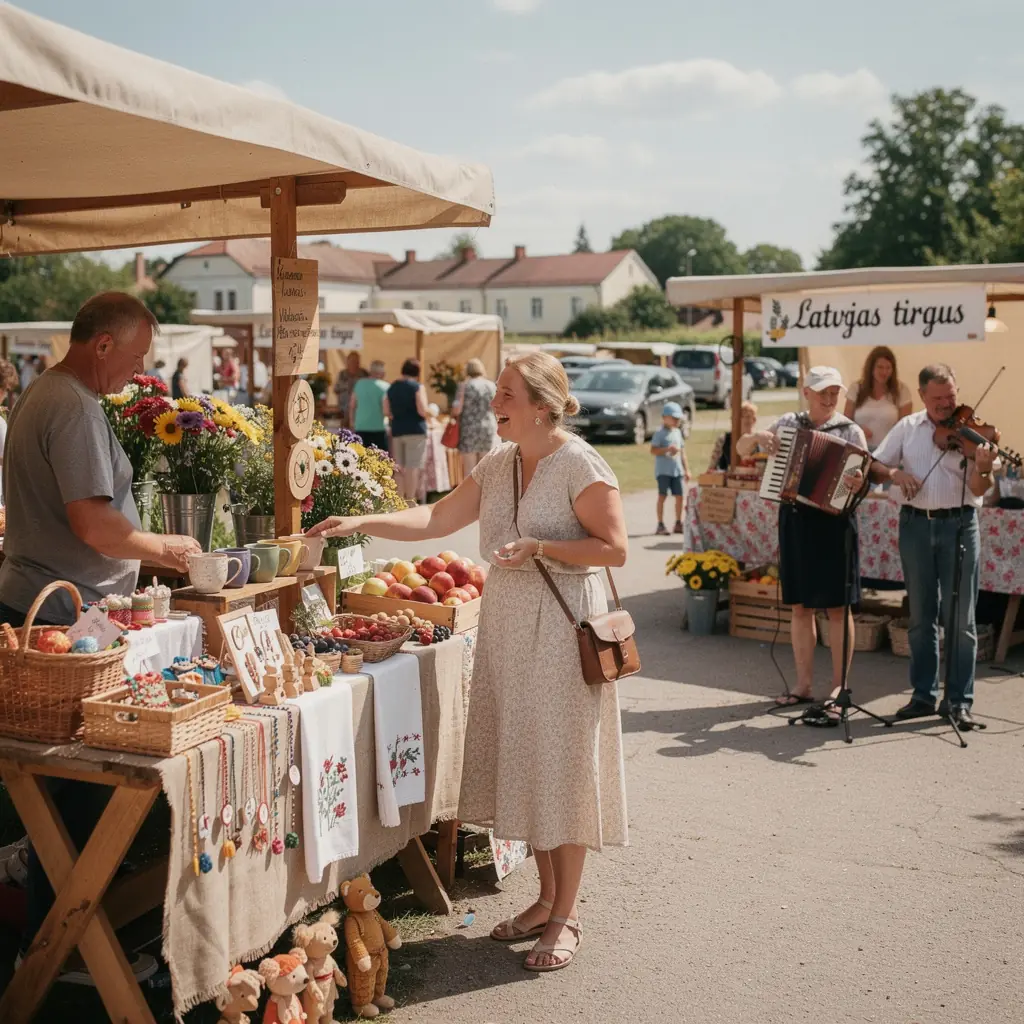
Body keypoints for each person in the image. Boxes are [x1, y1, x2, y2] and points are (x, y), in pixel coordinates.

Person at [308, 351, 628, 972]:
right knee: (529, 763)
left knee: (560, 768)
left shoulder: (579, 462)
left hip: (563, 633)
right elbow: (436, 516)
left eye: (506, 393)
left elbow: (613, 548)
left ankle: (568, 916)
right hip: (511, 629)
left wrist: (542, 545)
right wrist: (362, 519)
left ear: (541, 405)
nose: (494, 403)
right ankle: (544, 901)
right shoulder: (500, 461)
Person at [0, 291, 202, 982]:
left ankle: (55, 930)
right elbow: (94, 525)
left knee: (64, 798)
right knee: (80, 796)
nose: (141, 371)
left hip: (53, 604)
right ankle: (59, 952)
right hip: (62, 616)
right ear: (103, 344)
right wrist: (168, 548)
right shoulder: (74, 405)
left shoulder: (48, 394)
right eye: (137, 355)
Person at [866, 364, 998, 730]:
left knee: (962, 620)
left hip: (960, 524)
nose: (946, 405)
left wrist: (984, 467)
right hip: (915, 525)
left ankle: (958, 700)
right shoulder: (907, 428)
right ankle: (923, 695)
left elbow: (978, 488)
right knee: (922, 616)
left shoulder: (971, 432)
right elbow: (874, 464)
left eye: (951, 397)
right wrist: (895, 474)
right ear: (922, 395)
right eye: (938, 398)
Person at [737, 366, 867, 710]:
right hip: (796, 519)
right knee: (800, 607)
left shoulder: (850, 431)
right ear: (806, 392)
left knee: (838, 609)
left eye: (834, 392)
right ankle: (804, 684)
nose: (828, 399)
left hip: (836, 524)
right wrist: (757, 439)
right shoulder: (787, 423)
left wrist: (858, 483)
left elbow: (865, 480)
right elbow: (742, 448)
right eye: (822, 392)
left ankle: (840, 686)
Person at [844, 345, 913, 452]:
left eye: (888, 368)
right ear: (871, 368)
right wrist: (858, 429)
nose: (884, 372)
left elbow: (906, 426)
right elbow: (845, 422)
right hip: (858, 450)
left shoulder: (902, 390)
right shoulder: (856, 388)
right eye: (880, 367)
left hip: (889, 452)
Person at [385, 358, 429, 502]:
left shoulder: (392, 387)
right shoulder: (417, 387)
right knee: (412, 467)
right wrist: (431, 412)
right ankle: (410, 500)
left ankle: (398, 499)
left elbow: (386, 410)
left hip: (397, 430)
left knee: (399, 467)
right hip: (415, 430)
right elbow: (422, 410)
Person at [452, 357, 498, 477]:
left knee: (470, 469)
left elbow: (457, 410)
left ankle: (471, 495)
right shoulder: (491, 386)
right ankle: (486, 494)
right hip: (488, 427)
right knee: (486, 467)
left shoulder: (464, 386)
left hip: (469, 429)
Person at [650, 401, 690, 535]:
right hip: (663, 471)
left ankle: (678, 522)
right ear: (665, 417)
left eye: (678, 419)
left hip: (676, 470)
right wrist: (667, 449)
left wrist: (686, 469)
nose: (676, 421)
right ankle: (660, 524)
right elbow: (653, 450)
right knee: (662, 496)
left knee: (680, 496)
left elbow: (683, 452)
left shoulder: (678, 432)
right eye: (674, 418)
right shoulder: (659, 433)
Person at [349, 359, 389, 450]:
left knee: (362, 458)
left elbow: (352, 405)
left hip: (360, 427)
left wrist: (352, 422)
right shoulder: (385, 386)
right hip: (379, 428)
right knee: (381, 459)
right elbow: (386, 410)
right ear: (382, 372)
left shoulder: (359, 384)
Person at [707, 401, 758, 472]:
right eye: (743, 416)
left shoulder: (758, 441)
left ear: (754, 420)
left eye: (750, 417)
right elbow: (712, 467)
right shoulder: (724, 439)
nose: (747, 420)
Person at [334, 352, 367, 429]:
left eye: (356, 361)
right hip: (344, 409)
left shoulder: (364, 374)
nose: (354, 363)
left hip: (360, 409)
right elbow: (336, 389)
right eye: (352, 361)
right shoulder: (342, 374)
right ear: (347, 362)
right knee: (345, 432)